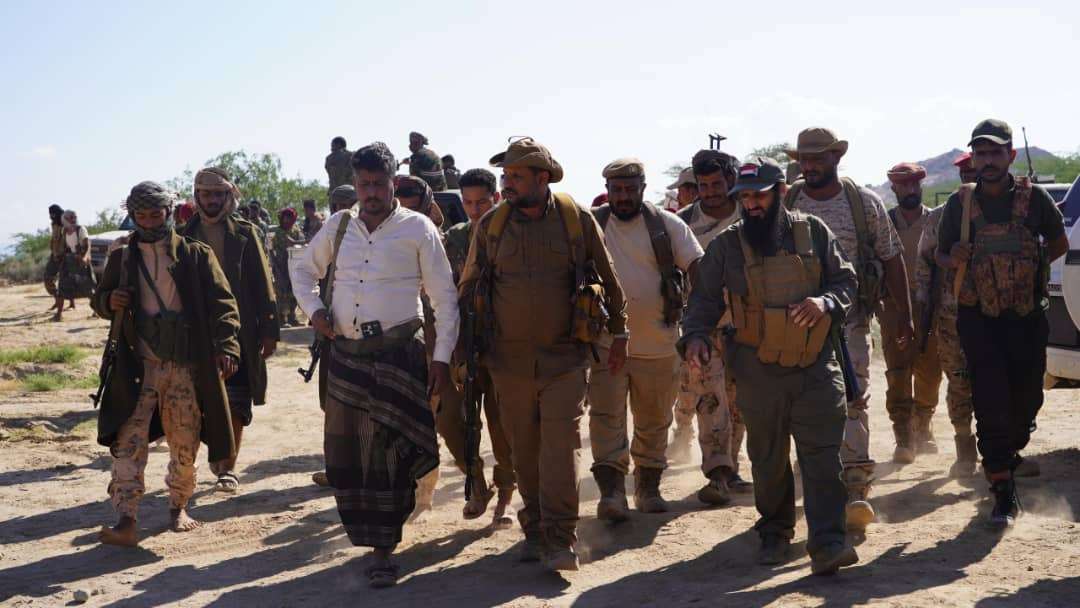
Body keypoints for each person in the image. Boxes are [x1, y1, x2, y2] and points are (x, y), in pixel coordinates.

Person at [291, 142, 458, 588]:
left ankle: (384, 549)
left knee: (389, 455)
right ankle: (370, 536)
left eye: (378, 184)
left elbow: (444, 299)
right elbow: (303, 271)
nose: (370, 193)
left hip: (399, 355)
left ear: (392, 184)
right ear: (356, 183)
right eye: (363, 184)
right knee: (347, 454)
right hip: (346, 356)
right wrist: (315, 311)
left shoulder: (417, 228)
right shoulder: (338, 226)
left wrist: (441, 358)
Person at [681, 157, 859, 575]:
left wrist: (825, 302)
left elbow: (846, 281)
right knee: (767, 459)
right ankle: (775, 532)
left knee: (821, 457)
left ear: (780, 192)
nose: (751, 205)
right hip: (758, 370)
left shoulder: (814, 232)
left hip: (815, 366)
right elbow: (702, 300)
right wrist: (696, 337)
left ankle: (828, 541)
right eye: (744, 197)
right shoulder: (727, 245)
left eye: (758, 195)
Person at [458, 137, 627, 572]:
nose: (507, 183)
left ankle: (561, 537)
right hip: (507, 363)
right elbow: (468, 288)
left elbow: (609, 279)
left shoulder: (575, 219)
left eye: (516, 176)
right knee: (524, 452)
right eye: (505, 176)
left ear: (542, 177)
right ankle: (535, 528)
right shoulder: (492, 225)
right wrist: (464, 350)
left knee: (561, 448)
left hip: (564, 359)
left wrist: (620, 334)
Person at [93, 181, 241, 547]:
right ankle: (126, 519)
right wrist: (110, 301)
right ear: (132, 215)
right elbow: (99, 300)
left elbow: (224, 304)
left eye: (155, 214)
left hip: (183, 367)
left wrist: (228, 345)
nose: (148, 222)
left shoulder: (195, 255)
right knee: (128, 444)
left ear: (169, 212)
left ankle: (179, 506)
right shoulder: (121, 258)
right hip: (137, 367)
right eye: (141, 215)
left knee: (184, 440)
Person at [936, 119, 1068, 528]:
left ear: (1010, 156)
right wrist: (954, 257)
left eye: (995, 152)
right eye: (981, 153)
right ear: (973, 158)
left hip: (1027, 318)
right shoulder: (960, 204)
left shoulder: (1035, 200)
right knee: (990, 402)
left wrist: (1027, 268)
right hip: (980, 320)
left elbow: (1059, 243)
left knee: (1026, 401)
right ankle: (1002, 488)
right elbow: (940, 254)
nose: (988, 161)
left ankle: (1010, 450)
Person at [783, 127, 910, 531]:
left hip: (849, 321)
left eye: (818, 157)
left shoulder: (864, 204)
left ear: (836, 157)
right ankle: (817, 480)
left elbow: (891, 258)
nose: (810, 165)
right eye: (804, 158)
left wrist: (904, 316)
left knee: (853, 397)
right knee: (801, 403)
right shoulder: (787, 202)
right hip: (795, 324)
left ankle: (856, 485)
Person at [588, 158, 703, 521]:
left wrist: (700, 320)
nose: (623, 197)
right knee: (606, 419)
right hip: (605, 345)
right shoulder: (592, 225)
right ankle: (611, 494)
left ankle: (648, 487)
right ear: (608, 190)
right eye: (616, 190)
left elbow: (697, 268)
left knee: (654, 421)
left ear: (642, 189)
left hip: (659, 345)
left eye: (630, 190)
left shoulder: (668, 225)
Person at [181, 168, 279, 493]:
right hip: (196, 334)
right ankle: (191, 468)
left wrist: (269, 330)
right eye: (205, 194)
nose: (211, 200)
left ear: (228, 196)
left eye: (217, 194)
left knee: (236, 400)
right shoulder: (181, 236)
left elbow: (263, 283)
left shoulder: (246, 234)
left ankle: (227, 467)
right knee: (195, 404)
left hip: (240, 332)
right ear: (197, 196)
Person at [672, 149, 750, 504]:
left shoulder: (749, 215)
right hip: (702, 326)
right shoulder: (682, 222)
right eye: (703, 185)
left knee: (738, 400)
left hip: (747, 323)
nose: (710, 192)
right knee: (709, 397)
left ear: (730, 181)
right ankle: (717, 472)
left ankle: (731, 467)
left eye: (716, 184)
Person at [439, 167, 516, 527]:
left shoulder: (512, 233)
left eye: (481, 202)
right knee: (453, 421)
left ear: (496, 198)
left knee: (503, 427)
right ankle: (477, 484)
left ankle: (506, 497)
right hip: (462, 344)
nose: (474, 210)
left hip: (503, 345)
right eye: (468, 203)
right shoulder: (454, 238)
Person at [913, 158, 978, 478]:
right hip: (952, 316)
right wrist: (924, 305)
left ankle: (1002, 450)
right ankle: (965, 447)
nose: (969, 179)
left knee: (998, 381)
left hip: (999, 315)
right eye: (965, 174)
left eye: (973, 173)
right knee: (959, 380)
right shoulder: (940, 216)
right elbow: (924, 261)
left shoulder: (1007, 212)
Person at [881, 163, 943, 463]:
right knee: (898, 372)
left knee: (930, 371)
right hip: (894, 307)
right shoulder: (884, 223)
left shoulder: (935, 220)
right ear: (894, 188)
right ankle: (903, 435)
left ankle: (923, 424)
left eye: (915, 184)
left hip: (929, 305)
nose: (910, 190)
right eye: (904, 185)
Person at [53, 210, 95, 321]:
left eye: (75, 217)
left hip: (80, 261)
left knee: (88, 287)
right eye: (71, 217)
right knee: (62, 285)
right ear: (65, 219)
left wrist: (85, 256)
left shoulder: (81, 229)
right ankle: (59, 314)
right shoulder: (64, 231)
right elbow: (66, 246)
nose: (74, 219)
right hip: (69, 260)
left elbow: (87, 244)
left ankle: (97, 311)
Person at [271, 207, 305, 327]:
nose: (286, 220)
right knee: (281, 292)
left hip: (294, 265)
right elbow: (273, 250)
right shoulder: (278, 232)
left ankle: (292, 317)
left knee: (293, 292)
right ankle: (281, 318)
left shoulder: (296, 230)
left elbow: (302, 244)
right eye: (285, 218)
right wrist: (275, 266)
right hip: (280, 266)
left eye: (289, 218)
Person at [44, 204, 65, 304]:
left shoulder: (66, 223)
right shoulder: (54, 223)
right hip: (55, 255)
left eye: (52, 214)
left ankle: (70, 304)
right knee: (48, 277)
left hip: (64, 256)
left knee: (66, 280)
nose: (51, 216)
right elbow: (54, 239)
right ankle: (57, 299)